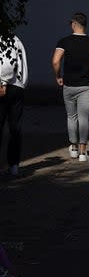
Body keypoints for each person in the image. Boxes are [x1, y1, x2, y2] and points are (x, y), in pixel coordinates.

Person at [53, 12, 89, 162]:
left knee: (71, 117)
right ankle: (83, 152)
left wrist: (58, 77)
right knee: (84, 117)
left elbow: (56, 61)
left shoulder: (64, 42)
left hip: (69, 84)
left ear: (74, 24)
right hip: (86, 85)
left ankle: (74, 148)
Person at [0, 33, 27, 176]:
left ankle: (13, 164)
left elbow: (6, 65)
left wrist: (2, 82)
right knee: (15, 127)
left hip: (7, 86)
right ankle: (14, 164)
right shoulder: (17, 39)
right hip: (18, 86)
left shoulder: (5, 39)